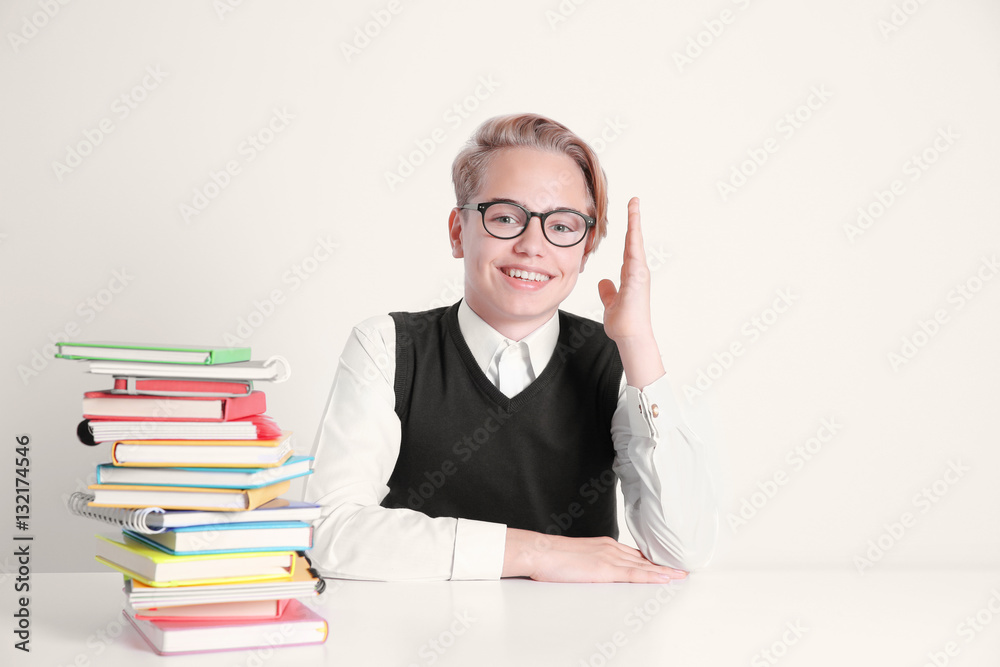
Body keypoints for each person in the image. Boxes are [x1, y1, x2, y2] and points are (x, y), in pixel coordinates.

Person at [304, 113, 718, 582]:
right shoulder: (387, 347)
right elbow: (329, 531)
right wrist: (535, 553)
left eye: (562, 227)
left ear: (584, 251)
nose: (532, 245)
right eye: (505, 217)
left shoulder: (616, 361)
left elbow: (682, 548)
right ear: (459, 232)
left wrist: (639, 345)